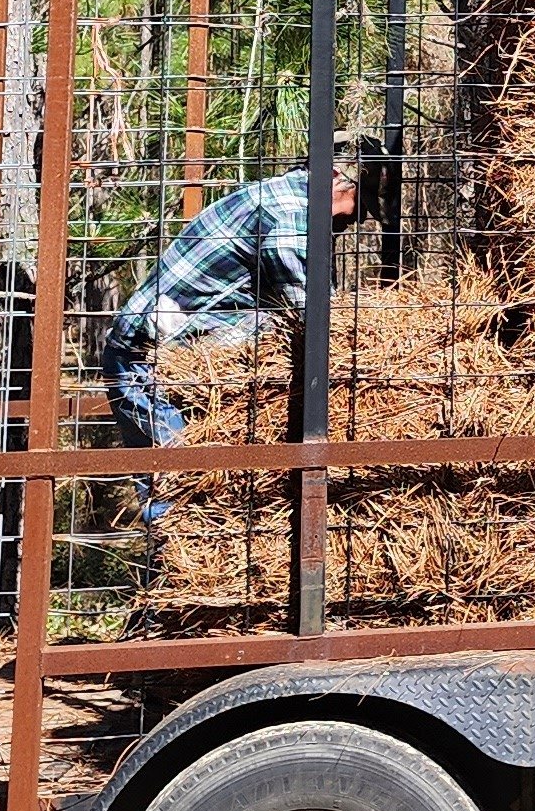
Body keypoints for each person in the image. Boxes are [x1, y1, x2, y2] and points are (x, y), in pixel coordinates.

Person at [99, 137, 389, 535]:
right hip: (148, 363)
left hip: (181, 351)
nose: (354, 221)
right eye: (359, 206)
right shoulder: (290, 217)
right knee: (182, 496)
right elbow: (317, 320)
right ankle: (175, 564)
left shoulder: (279, 197)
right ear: (338, 179)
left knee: (200, 490)